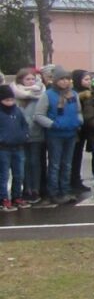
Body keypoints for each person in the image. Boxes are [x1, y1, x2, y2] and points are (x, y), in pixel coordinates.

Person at [35, 66, 83, 205]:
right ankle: (53, 192)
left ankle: (65, 190)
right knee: (55, 164)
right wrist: (53, 124)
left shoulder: (73, 94)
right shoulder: (48, 95)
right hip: (55, 134)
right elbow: (39, 115)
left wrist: (78, 121)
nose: (64, 82)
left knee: (67, 164)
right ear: (55, 80)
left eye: (67, 79)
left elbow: (78, 111)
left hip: (71, 133)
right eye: (61, 79)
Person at [13, 69, 46, 204]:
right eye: (28, 79)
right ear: (21, 80)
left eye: (33, 79)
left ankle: (36, 189)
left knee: (35, 162)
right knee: (24, 163)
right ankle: (26, 189)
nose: (31, 81)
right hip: (20, 136)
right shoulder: (15, 95)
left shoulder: (41, 94)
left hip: (36, 134)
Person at [0, 83, 30, 211]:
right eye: (7, 100)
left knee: (19, 174)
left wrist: (24, 136)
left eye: (12, 99)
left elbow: (24, 125)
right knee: (4, 175)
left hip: (18, 147)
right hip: (3, 148)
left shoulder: (17, 111)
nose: (10, 102)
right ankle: (3, 199)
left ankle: (17, 196)